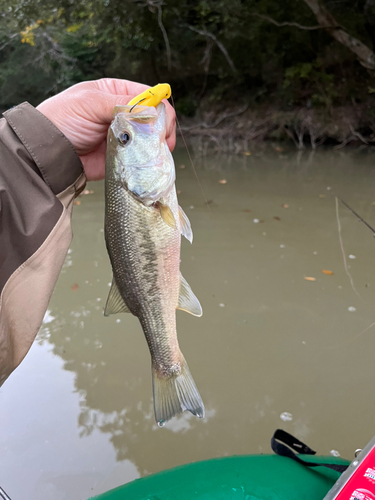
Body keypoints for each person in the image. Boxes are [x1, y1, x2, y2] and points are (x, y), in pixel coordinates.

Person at [0, 78, 176, 386]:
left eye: (123, 139)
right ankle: (169, 365)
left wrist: (34, 150)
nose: (126, 135)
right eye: (125, 138)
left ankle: (167, 366)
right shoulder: (151, 200)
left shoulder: (149, 199)